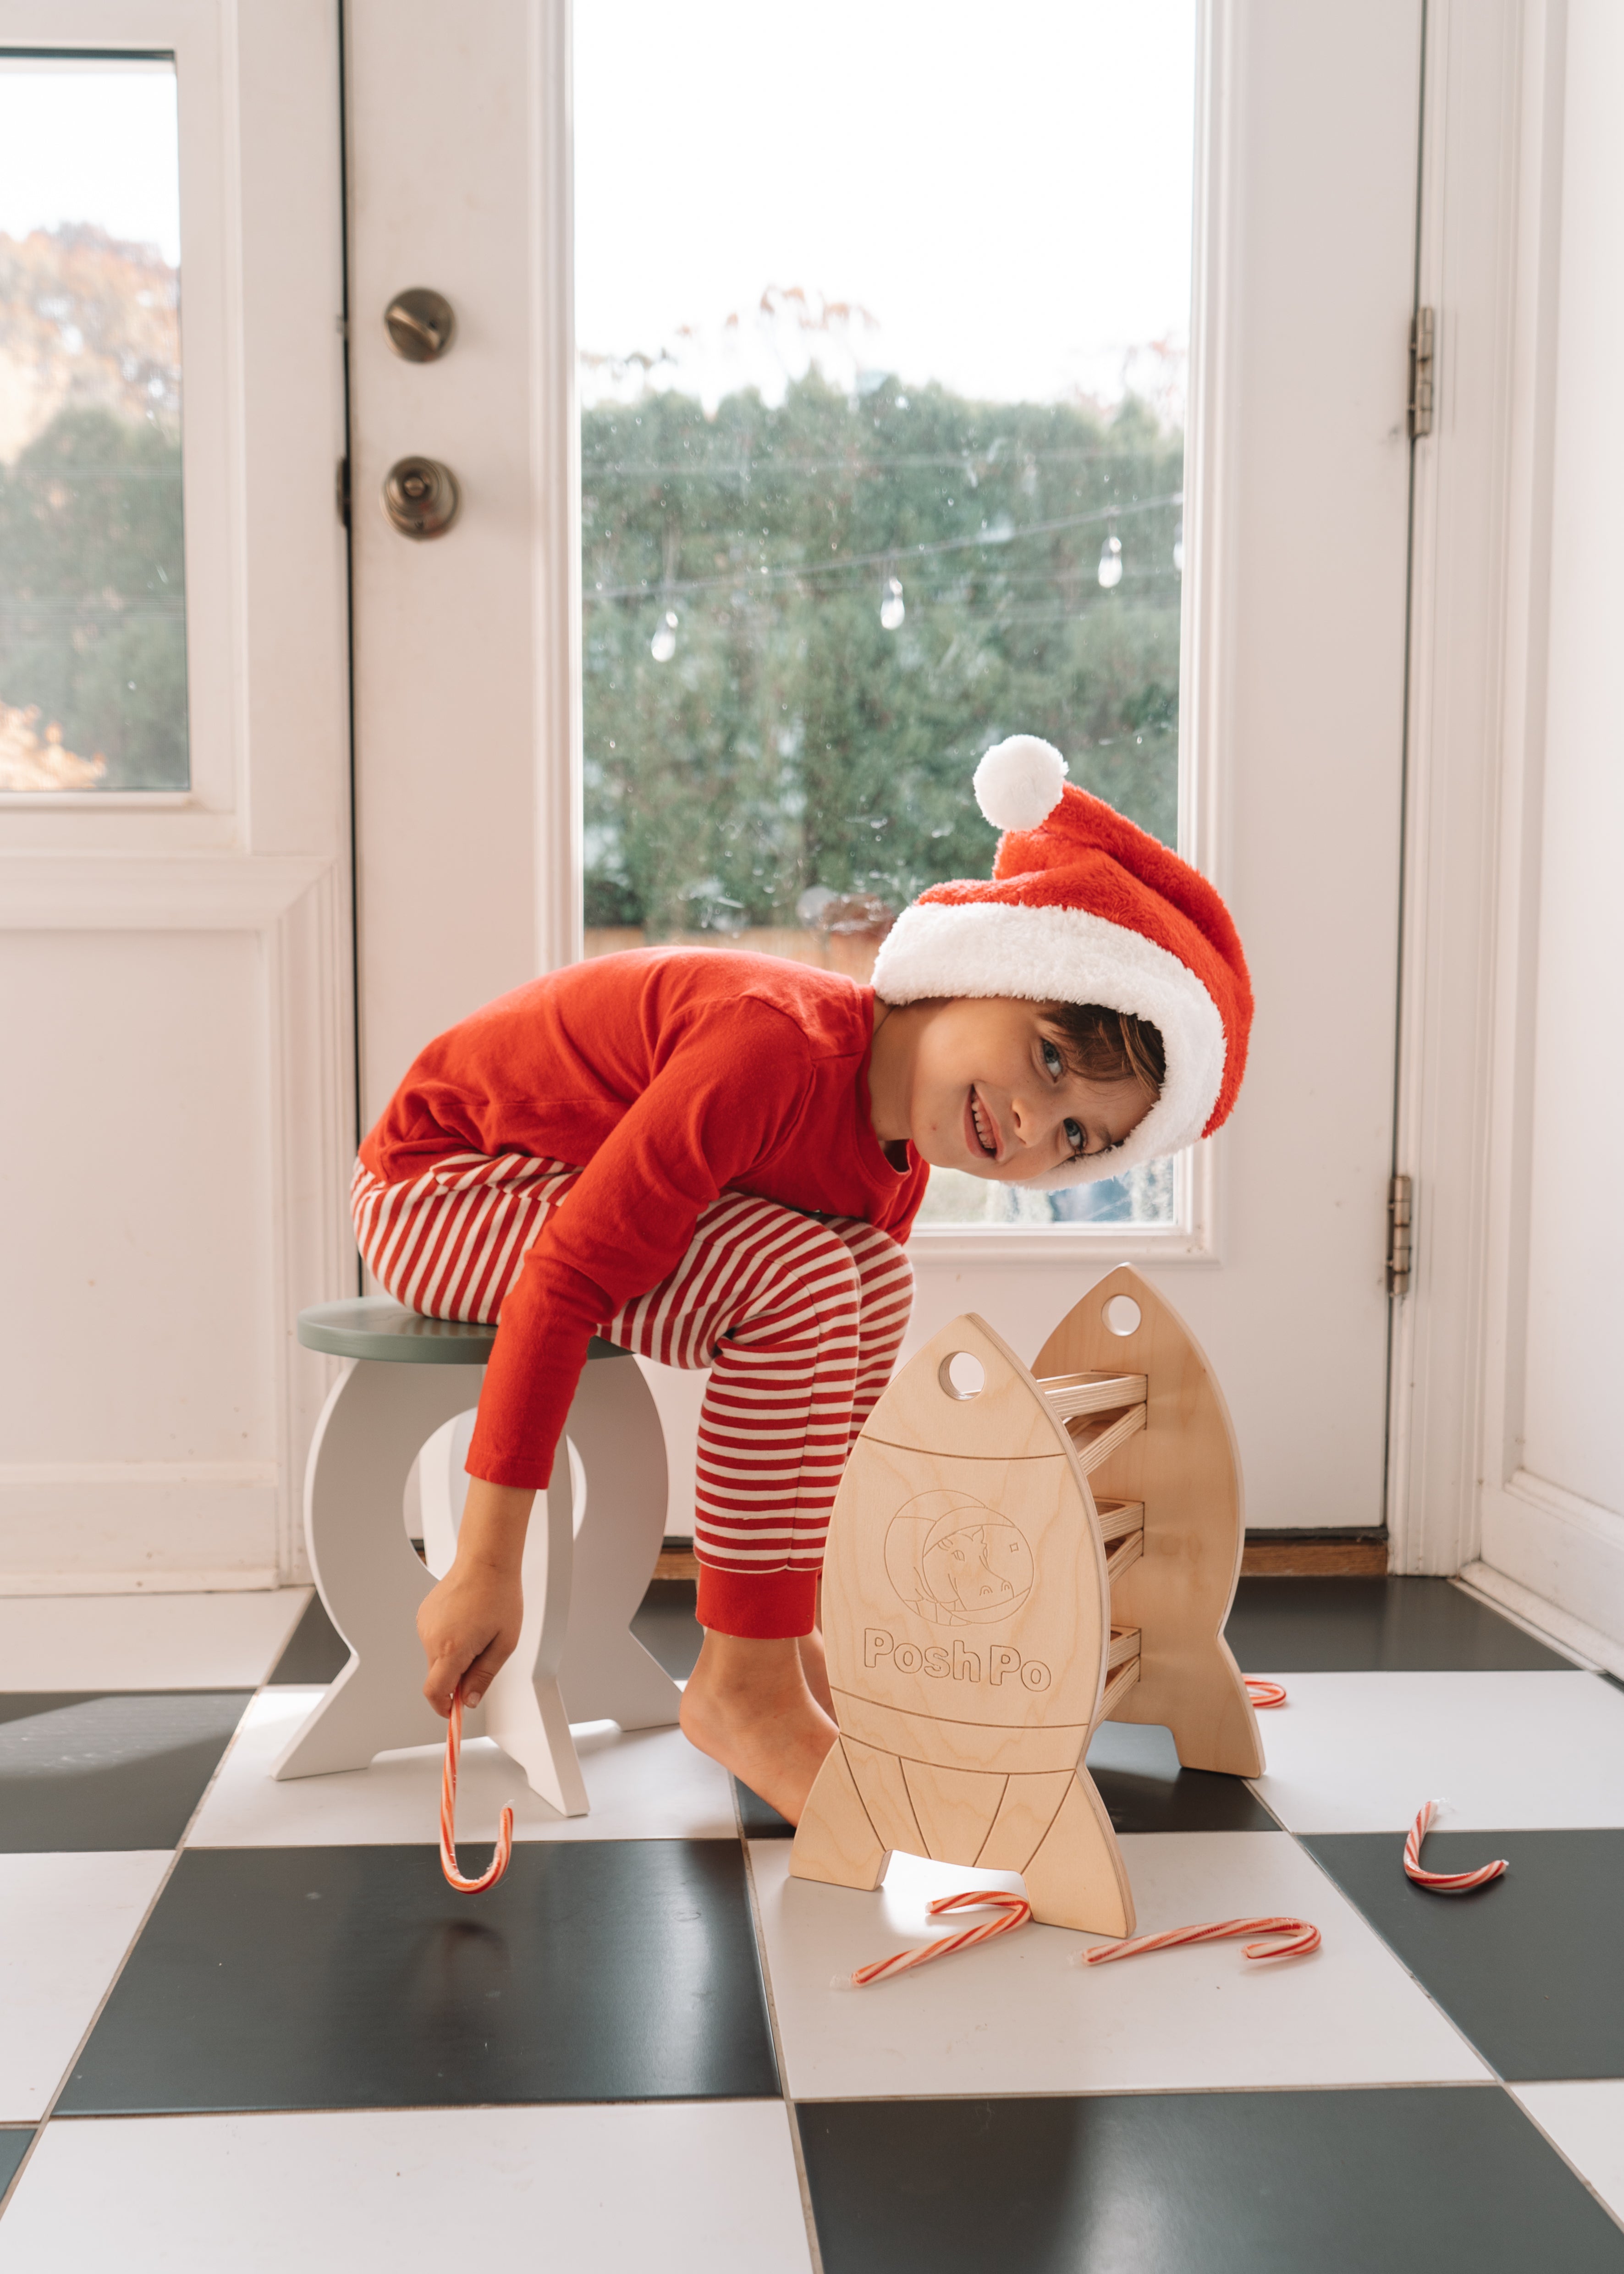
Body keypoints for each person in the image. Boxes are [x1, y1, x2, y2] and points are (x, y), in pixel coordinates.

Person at [353, 735, 1252, 1822]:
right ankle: (740, 1688)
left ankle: (777, 1643)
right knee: (802, 1280)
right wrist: (486, 1562)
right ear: (984, 970)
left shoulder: (896, 1171)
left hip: (542, 1186)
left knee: (866, 1276)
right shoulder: (770, 1048)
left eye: (1072, 1139)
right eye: (1050, 1059)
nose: (1029, 1125)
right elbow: (569, 1273)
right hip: (437, 1187)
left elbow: (825, 1395)